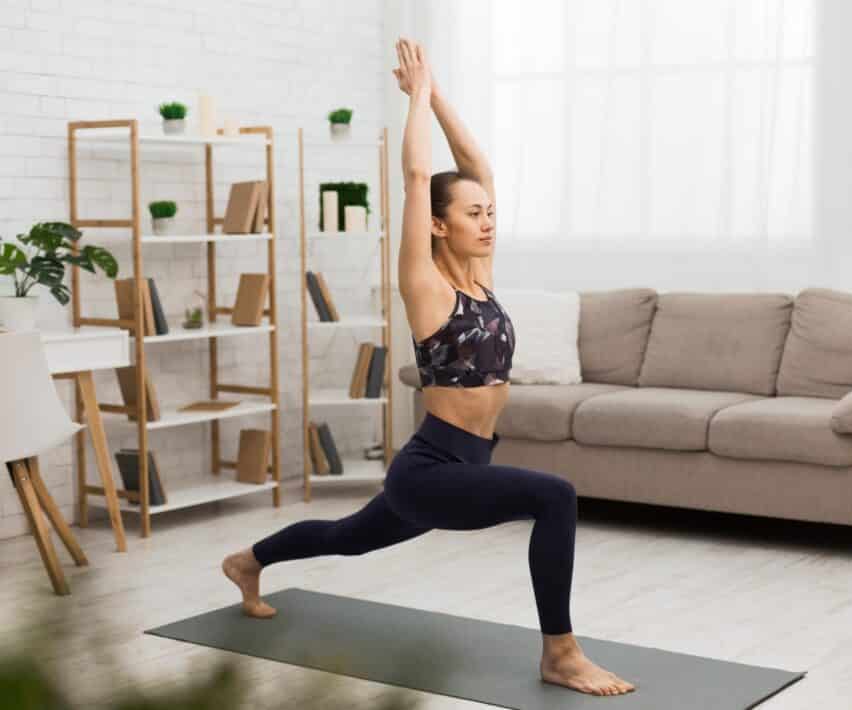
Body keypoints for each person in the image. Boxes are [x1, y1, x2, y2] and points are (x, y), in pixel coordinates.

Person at [223, 37, 635, 697]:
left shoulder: (479, 276)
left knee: (348, 536)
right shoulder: (426, 286)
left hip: (461, 464)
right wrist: (414, 99)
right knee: (554, 496)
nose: (488, 220)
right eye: (474, 214)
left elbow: (476, 165)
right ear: (439, 227)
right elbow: (420, 178)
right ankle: (560, 652)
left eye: (490, 212)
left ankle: (247, 561)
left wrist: (438, 92)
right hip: (431, 469)